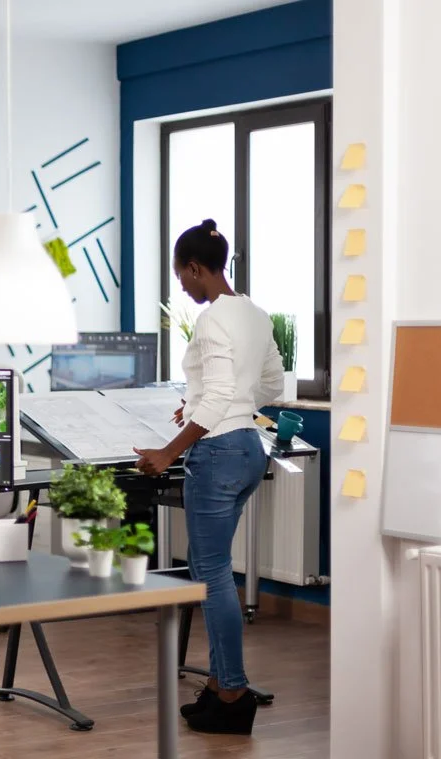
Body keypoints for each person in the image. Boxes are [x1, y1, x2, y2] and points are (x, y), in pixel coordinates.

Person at [132, 219, 283, 736]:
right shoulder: (256, 314)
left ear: (197, 268)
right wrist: (201, 404)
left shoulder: (214, 319)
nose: (181, 286)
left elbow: (221, 395)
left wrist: (167, 452)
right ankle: (220, 688)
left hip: (217, 453)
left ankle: (235, 691)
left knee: (211, 573)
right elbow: (270, 384)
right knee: (213, 569)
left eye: (181, 276)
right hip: (247, 448)